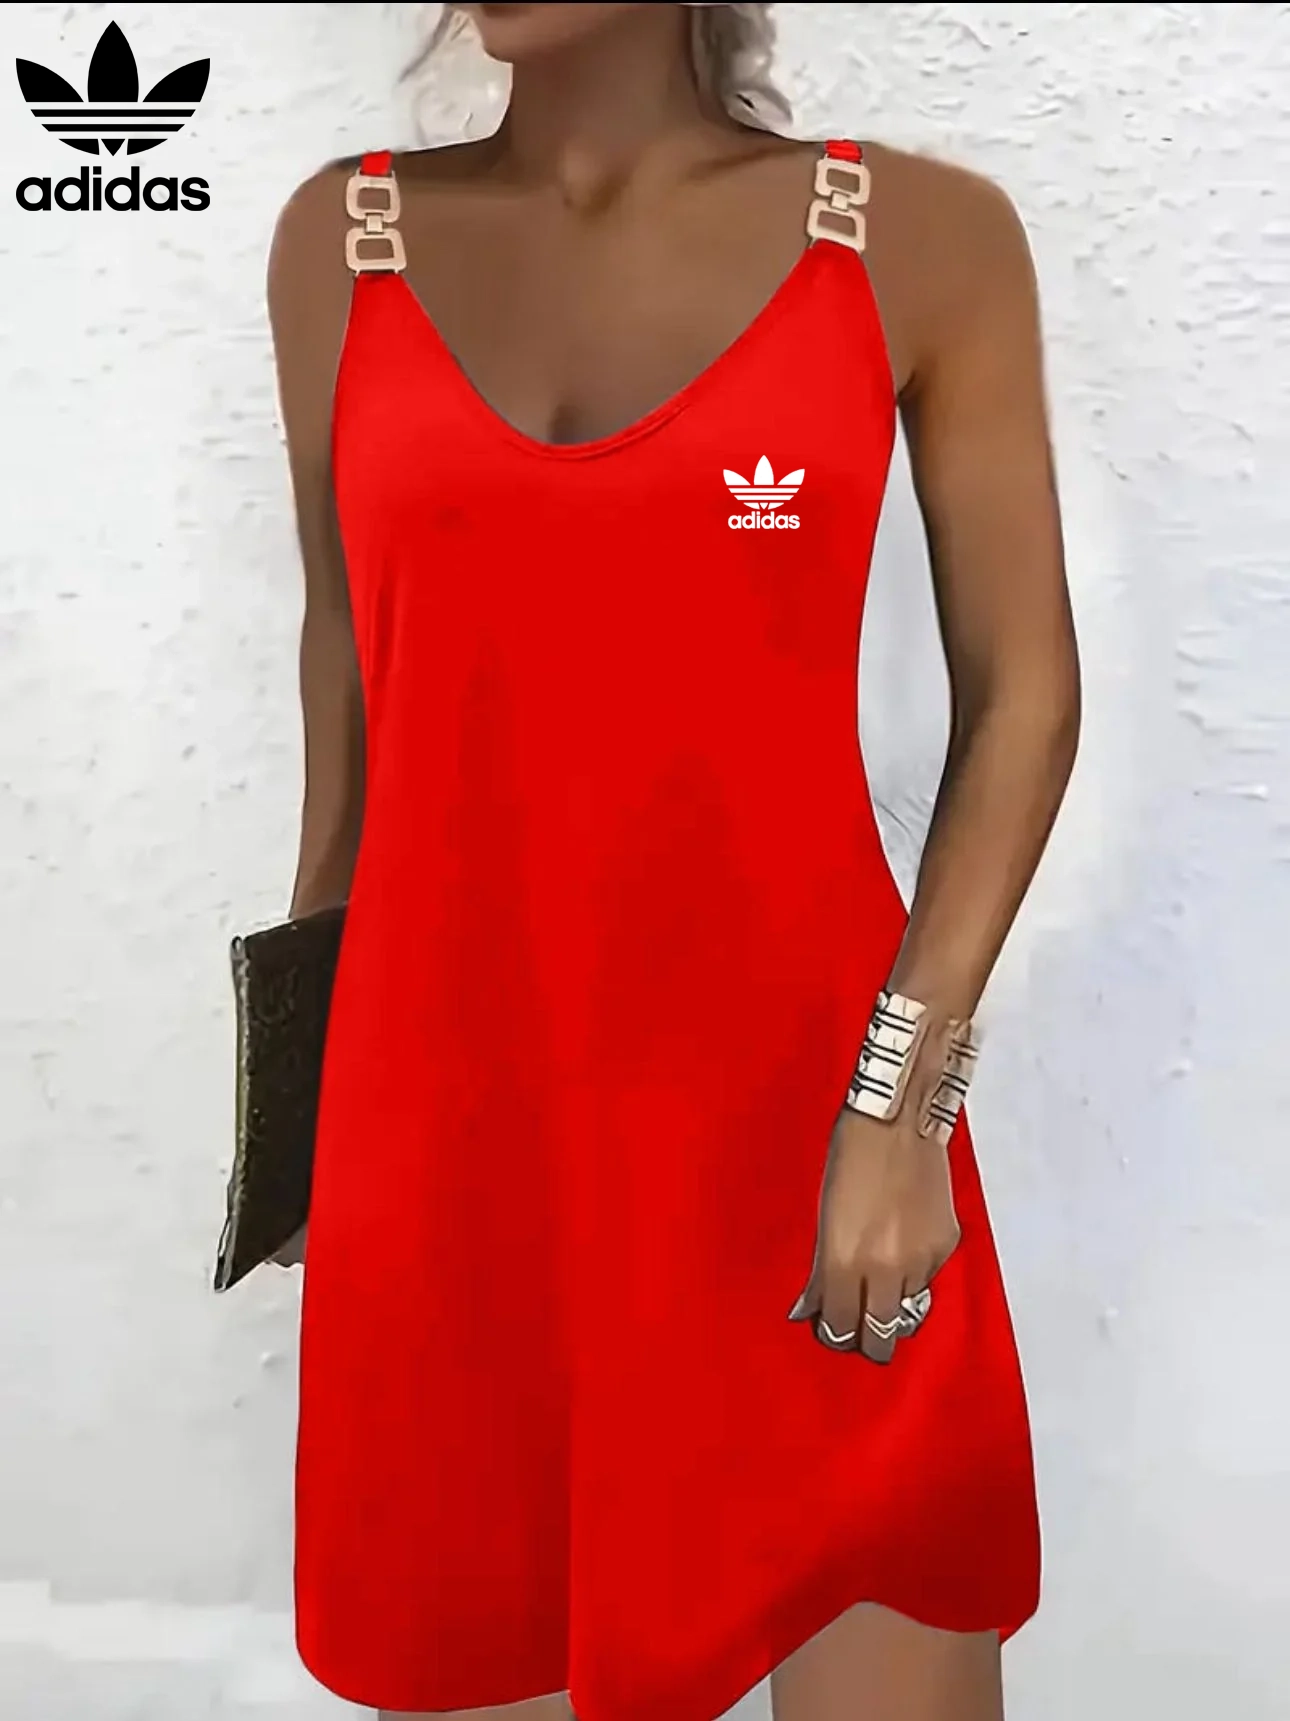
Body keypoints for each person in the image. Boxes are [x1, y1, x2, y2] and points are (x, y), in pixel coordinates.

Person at [265, 5, 1080, 1719]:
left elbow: (1022, 695)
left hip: (809, 1150)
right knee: (476, 1633)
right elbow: (347, 682)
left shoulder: (914, 241)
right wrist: (297, 1123)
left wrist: (900, 1109)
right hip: (455, 1149)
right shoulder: (344, 245)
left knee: (887, 1606)